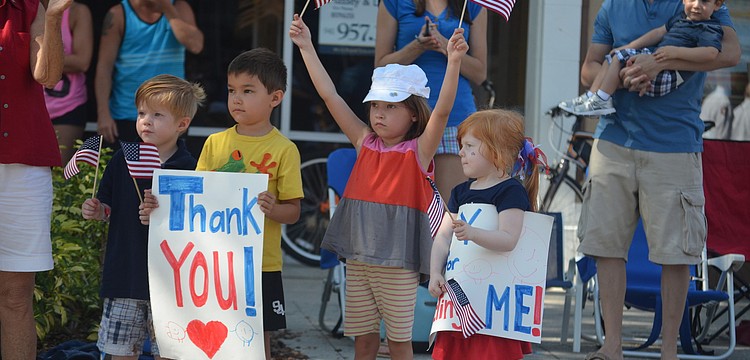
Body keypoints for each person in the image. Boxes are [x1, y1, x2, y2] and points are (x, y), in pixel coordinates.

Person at [290, 13, 468, 359]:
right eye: (375, 106)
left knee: (399, 342)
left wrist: (454, 61)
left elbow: (443, 112)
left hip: (398, 262)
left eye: (390, 106)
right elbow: (330, 96)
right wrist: (306, 46)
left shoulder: (419, 151)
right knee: (364, 340)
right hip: (358, 259)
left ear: (414, 113)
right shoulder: (363, 141)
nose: (379, 114)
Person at [574, 0, 740, 359]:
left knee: (676, 254)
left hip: (675, 144)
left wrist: (659, 61)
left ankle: (669, 352)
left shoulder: (695, 2)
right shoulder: (613, 7)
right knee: (605, 247)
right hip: (612, 141)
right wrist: (627, 72)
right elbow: (589, 69)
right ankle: (612, 346)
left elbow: (729, 54)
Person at [140, 48, 304, 360]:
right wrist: (159, 205)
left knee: (258, 343)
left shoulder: (285, 150)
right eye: (231, 91)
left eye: (247, 91)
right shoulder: (216, 143)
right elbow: (195, 199)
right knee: (215, 339)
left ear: (276, 97)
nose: (236, 99)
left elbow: (293, 212)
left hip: (261, 264)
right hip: (215, 262)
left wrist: (273, 208)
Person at [81, 74, 205, 359]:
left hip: (174, 284)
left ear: (182, 124)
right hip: (125, 274)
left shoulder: (190, 168)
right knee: (120, 352)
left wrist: (163, 215)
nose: (146, 120)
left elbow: (197, 224)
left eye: (157, 114)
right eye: (141, 113)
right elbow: (108, 205)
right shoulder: (123, 158)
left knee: (171, 352)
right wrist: (98, 209)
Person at [428, 109, 537, 360]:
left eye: (469, 146)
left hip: (492, 309)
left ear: (495, 151)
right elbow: (444, 237)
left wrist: (473, 233)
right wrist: (435, 271)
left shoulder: (510, 191)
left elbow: (509, 239)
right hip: (460, 296)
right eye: (462, 146)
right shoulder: (459, 192)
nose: (461, 153)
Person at [0, 0, 70, 358]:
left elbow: (48, 75)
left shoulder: (30, 7)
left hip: (24, 166)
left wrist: (54, 15)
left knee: (15, 294)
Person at [374, 0, 487, 203]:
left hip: (455, 116)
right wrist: (418, 46)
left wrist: (445, 46)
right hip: (406, 117)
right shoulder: (394, 3)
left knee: (449, 211)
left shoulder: (472, 5)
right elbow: (380, 67)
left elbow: (479, 73)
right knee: (401, 207)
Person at [560, 0, 725, 116]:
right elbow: (659, 32)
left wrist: (674, 53)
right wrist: (628, 48)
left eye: (704, 1)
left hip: (670, 78)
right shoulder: (682, 16)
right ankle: (592, 98)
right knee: (615, 56)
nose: (696, 5)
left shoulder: (709, 26)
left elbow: (712, 53)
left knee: (618, 58)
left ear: (717, 4)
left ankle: (601, 99)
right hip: (615, 133)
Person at [95, 0, 203, 147]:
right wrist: (103, 114)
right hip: (127, 112)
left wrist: (167, 8)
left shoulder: (179, 7)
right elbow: (104, 67)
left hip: (171, 115)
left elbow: (196, 45)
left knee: (168, 167)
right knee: (127, 169)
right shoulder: (119, 13)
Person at [42, 0, 93, 164]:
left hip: (66, 106)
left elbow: (82, 61)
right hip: (27, 104)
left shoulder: (77, 11)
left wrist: (38, 59)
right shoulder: (22, 9)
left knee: (57, 171)